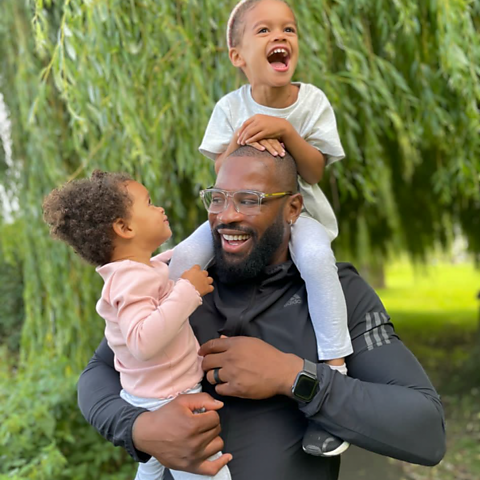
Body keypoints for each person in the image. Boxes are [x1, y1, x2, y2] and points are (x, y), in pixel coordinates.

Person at [78, 147, 446, 480]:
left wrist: (294, 377)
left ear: (293, 209)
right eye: (218, 198)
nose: (227, 216)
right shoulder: (178, 285)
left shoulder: (337, 293)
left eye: (250, 200)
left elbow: (425, 430)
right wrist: (140, 428)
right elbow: (99, 373)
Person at [168, 0, 351, 456]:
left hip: (296, 215)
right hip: (238, 212)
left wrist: (286, 134)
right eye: (264, 30)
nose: (280, 37)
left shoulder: (311, 102)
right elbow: (222, 173)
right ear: (238, 55)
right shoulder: (229, 106)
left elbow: (315, 171)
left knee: (314, 259)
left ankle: (336, 368)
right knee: (184, 258)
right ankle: (171, 360)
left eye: (288, 29)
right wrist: (245, 139)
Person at [43, 171, 232, 480]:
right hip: (168, 399)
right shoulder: (130, 281)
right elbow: (142, 341)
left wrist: (218, 217)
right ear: (124, 227)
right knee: (209, 473)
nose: (159, 208)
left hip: (147, 395)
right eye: (149, 203)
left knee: (150, 468)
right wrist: (189, 290)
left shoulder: (140, 270)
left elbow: (183, 255)